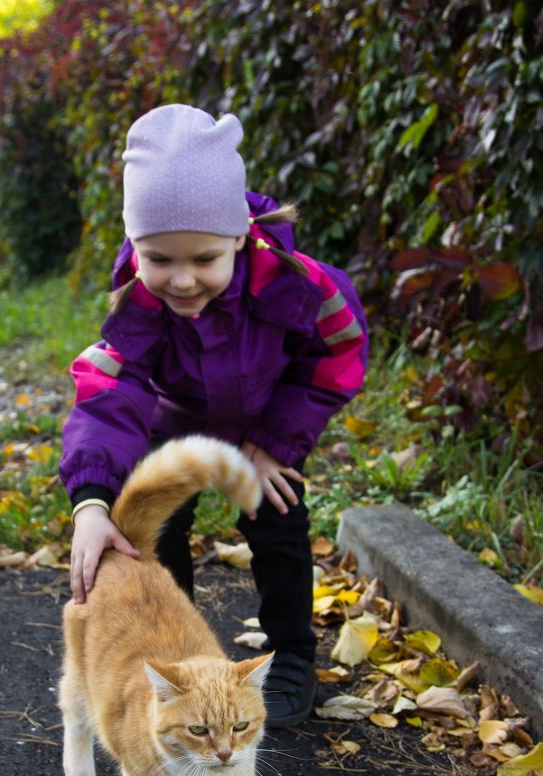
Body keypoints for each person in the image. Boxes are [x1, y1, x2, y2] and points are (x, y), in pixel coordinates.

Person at [59, 104, 368, 727]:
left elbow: (339, 351)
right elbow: (105, 396)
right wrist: (91, 503)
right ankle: (176, 659)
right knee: (156, 529)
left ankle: (291, 656)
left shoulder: (298, 285)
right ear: (135, 246)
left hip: (266, 427)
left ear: (238, 235)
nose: (180, 280)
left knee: (277, 518)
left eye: (203, 259)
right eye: (158, 259)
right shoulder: (138, 307)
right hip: (174, 427)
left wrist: (276, 441)